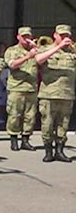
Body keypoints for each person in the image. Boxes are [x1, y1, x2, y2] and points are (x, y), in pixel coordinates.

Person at [34, 25, 74, 162]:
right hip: (49, 94)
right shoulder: (46, 49)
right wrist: (58, 47)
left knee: (63, 124)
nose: (65, 38)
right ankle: (48, 151)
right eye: (62, 35)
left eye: (67, 36)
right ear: (55, 36)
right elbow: (39, 60)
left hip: (67, 94)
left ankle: (60, 150)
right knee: (47, 124)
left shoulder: (72, 51)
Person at [3, 26, 41, 151]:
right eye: (24, 37)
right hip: (16, 88)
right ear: (18, 37)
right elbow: (12, 65)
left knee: (30, 116)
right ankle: (14, 139)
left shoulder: (36, 50)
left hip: (31, 88)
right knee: (14, 114)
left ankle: (25, 139)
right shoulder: (11, 50)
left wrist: (36, 50)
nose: (26, 39)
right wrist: (27, 56)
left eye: (28, 36)